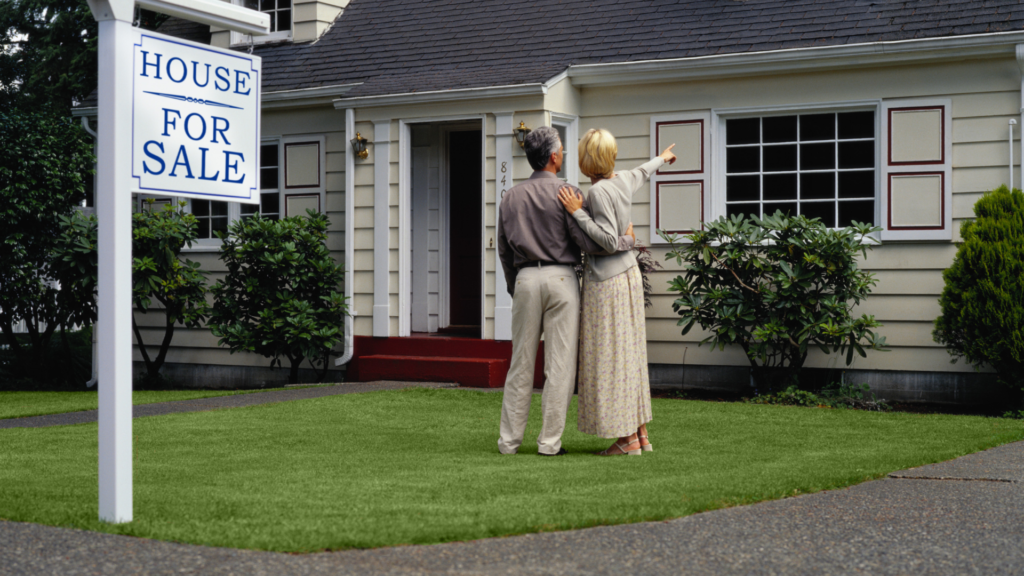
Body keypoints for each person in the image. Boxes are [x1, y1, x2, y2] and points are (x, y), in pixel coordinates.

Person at [496, 126, 635, 456]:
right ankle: (549, 443)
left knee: (520, 363)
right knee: (559, 365)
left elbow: (503, 250)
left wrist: (514, 286)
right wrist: (627, 239)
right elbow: (590, 243)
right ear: (555, 157)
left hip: (525, 279)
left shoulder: (510, 197)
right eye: (562, 151)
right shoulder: (568, 193)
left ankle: (509, 442)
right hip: (562, 281)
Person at [557, 128, 677, 456]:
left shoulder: (595, 195)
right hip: (629, 276)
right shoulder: (623, 179)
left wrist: (576, 213)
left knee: (610, 358)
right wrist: (662, 159)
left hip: (607, 282)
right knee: (629, 355)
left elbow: (608, 242)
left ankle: (625, 440)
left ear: (586, 160)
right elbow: (642, 171)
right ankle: (640, 434)